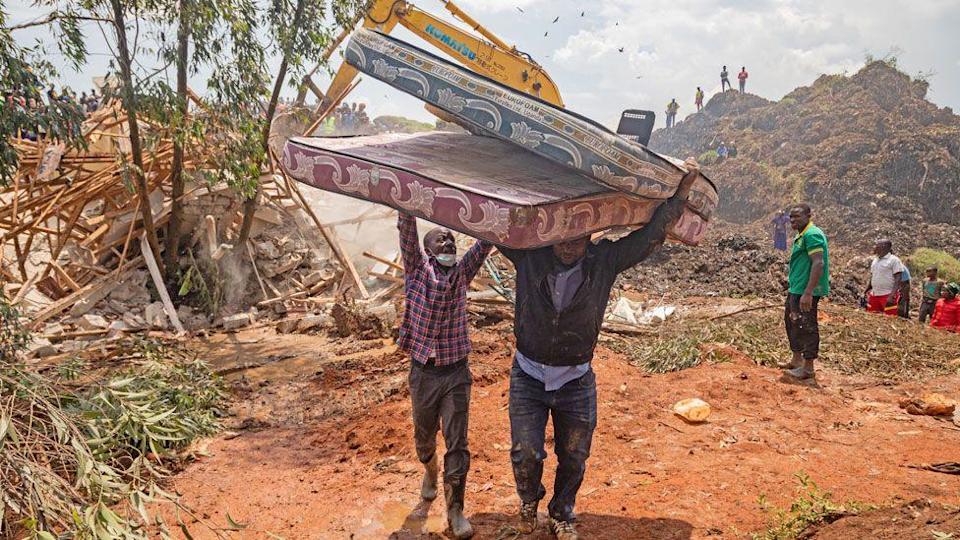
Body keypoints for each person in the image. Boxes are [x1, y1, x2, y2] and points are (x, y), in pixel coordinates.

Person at [499, 168, 698, 540]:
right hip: (528, 374)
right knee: (526, 452)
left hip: (575, 377)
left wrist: (680, 195)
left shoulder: (604, 261)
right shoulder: (530, 255)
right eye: (564, 237)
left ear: (591, 236)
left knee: (574, 454)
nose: (569, 246)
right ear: (553, 231)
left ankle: (562, 513)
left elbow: (650, 236)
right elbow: (493, 221)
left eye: (578, 239)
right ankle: (528, 504)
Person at [397, 212, 493, 539]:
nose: (449, 241)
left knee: (457, 442)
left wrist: (501, 214)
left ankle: (455, 509)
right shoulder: (417, 272)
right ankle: (429, 469)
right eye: (441, 238)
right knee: (424, 439)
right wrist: (405, 200)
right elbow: (406, 229)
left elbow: (484, 244)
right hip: (423, 373)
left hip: (456, 372)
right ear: (426, 250)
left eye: (452, 238)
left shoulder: (462, 274)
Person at [778, 204, 829, 380]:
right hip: (796, 288)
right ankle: (796, 360)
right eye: (790, 217)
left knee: (807, 326)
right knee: (792, 323)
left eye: (797, 217)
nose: (792, 220)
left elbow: (818, 263)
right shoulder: (802, 235)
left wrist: (808, 292)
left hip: (805, 291)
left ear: (808, 215)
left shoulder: (812, 234)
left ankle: (808, 368)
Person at [865, 239, 906, 316]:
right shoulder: (875, 260)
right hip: (874, 295)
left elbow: (898, 279)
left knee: (889, 319)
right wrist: (867, 289)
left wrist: (892, 295)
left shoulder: (894, 260)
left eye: (877, 246)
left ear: (884, 247)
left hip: (887, 295)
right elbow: (873, 276)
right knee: (871, 317)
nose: (875, 247)